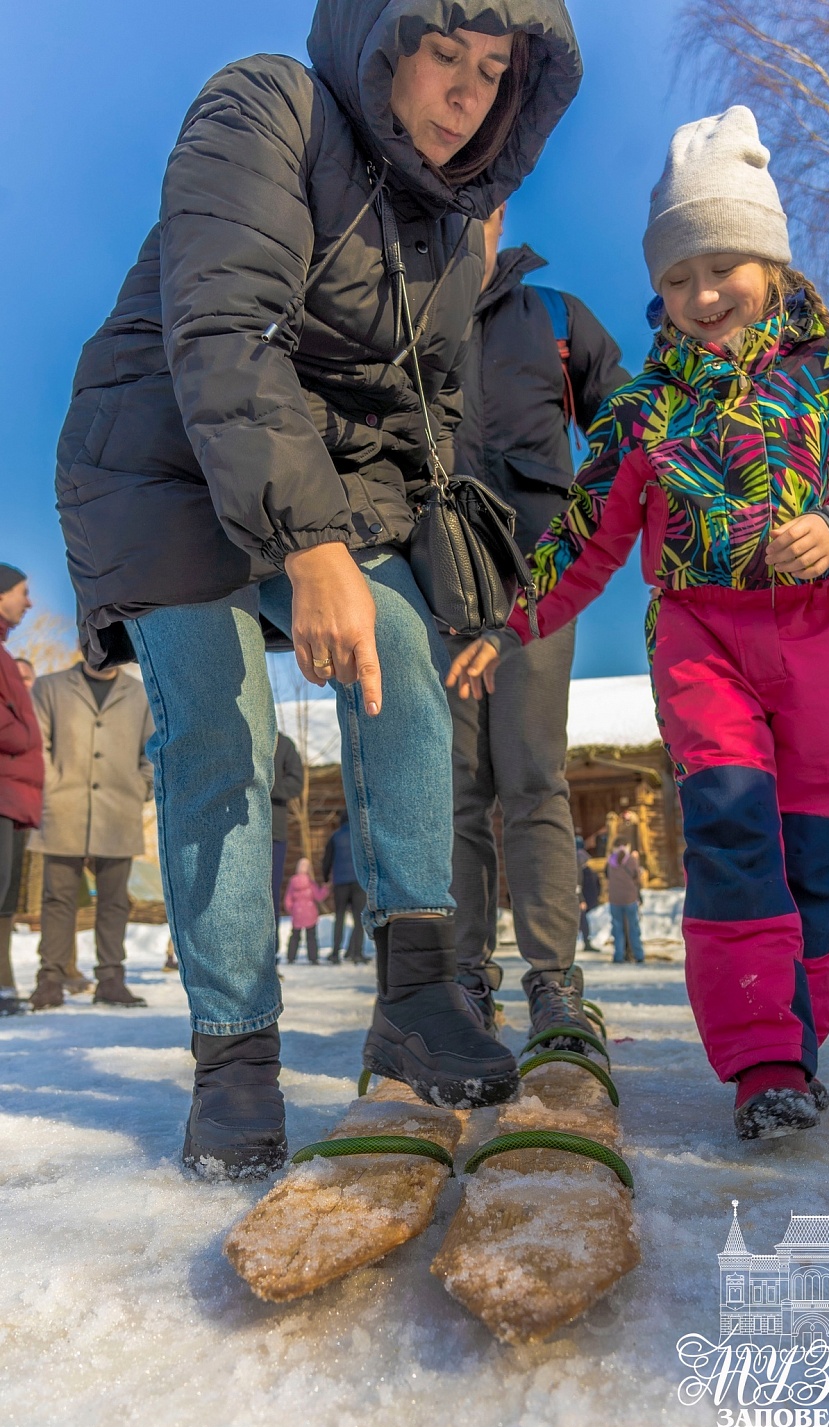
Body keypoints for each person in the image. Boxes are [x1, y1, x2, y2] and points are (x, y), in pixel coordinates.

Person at [55, 0, 581, 1175]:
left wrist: (465, 601)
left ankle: (415, 996)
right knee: (220, 736)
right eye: (444, 54)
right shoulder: (266, 106)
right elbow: (224, 327)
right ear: (383, 47)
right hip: (162, 467)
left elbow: (428, 444)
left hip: (316, 496)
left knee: (401, 656)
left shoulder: (449, 235)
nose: (465, 94)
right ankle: (234, 1059)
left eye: (493, 72)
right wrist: (309, 543)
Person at [450, 106, 829, 1140]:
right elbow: (585, 535)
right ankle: (759, 1059)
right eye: (677, 278)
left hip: (813, 646)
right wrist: (512, 622)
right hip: (699, 640)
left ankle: (795, 1046)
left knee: (814, 860)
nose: (701, 295)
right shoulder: (645, 411)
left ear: (768, 260)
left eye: (721, 267)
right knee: (726, 828)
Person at [446, 204, 628, 1045]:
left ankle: (554, 985)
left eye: (477, 202)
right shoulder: (399, 324)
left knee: (531, 778)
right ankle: (459, 983)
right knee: (452, 791)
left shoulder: (555, 317)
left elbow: (634, 438)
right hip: (433, 584)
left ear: (501, 210)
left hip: (534, 585)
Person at [28, 659, 155, 1010]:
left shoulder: (140, 693)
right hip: (63, 809)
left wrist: (139, 787)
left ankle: (111, 980)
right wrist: (51, 789)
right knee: (57, 899)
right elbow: (38, 746)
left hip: (119, 810)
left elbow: (152, 750)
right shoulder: (49, 686)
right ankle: (50, 979)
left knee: (114, 902)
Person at [0, 567, 43, 1014]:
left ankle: (3, 984)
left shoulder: (5, 653)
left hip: (15, 793)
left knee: (6, 894)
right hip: (5, 788)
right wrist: (22, 735)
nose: (28, 603)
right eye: (22, 593)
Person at [271, 731, 303, 955]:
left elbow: (296, 782)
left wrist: (266, 787)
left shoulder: (283, 743)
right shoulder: (239, 737)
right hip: (238, 832)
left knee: (270, 894)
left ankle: (269, 959)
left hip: (274, 833)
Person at [321, 814, 367, 964]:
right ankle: (357, 954)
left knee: (339, 917)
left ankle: (335, 954)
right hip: (358, 882)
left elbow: (327, 859)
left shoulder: (335, 837)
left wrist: (326, 877)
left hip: (340, 883)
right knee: (358, 919)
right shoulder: (359, 836)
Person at [282, 858, 328, 965]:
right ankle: (313, 958)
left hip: (297, 912)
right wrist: (326, 889)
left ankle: (291, 957)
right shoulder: (310, 882)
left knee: (295, 936)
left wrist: (291, 909)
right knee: (311, 936)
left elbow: (288, 899)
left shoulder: (293, 881)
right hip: (310, 912)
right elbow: (319, 896)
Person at [606, 840, 645, 964]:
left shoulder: (610, 861)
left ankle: (619, 956)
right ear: (626, 846)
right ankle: (638, 955)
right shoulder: (631, 860)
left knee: (617, 928)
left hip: (614, 899)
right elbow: (637, 877)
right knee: (633, 927)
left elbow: (606, 875)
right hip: (630, 898)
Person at [576, 835, 600, 953]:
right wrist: (580, 899)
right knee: (581, 920)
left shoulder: (576, 857)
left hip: (577, 894)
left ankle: (586, 941)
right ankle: (586, 942)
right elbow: (577, 884)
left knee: (581, 920)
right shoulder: (578, 858)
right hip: (576, 896)